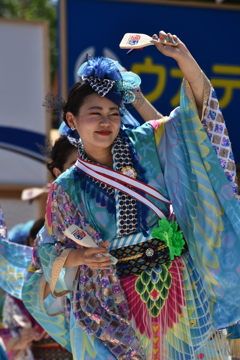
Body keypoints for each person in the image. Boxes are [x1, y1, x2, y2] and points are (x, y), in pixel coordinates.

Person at [19, 30, 240, 360]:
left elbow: (196, 120)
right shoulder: (66, 188)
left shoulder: (147, 142)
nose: (106, 121)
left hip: (180, 285)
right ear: (71, 119)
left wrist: (183, 58)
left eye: (113, 113)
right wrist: (77, 258)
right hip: (115, 305)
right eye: (95, 113)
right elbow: (50, 260)